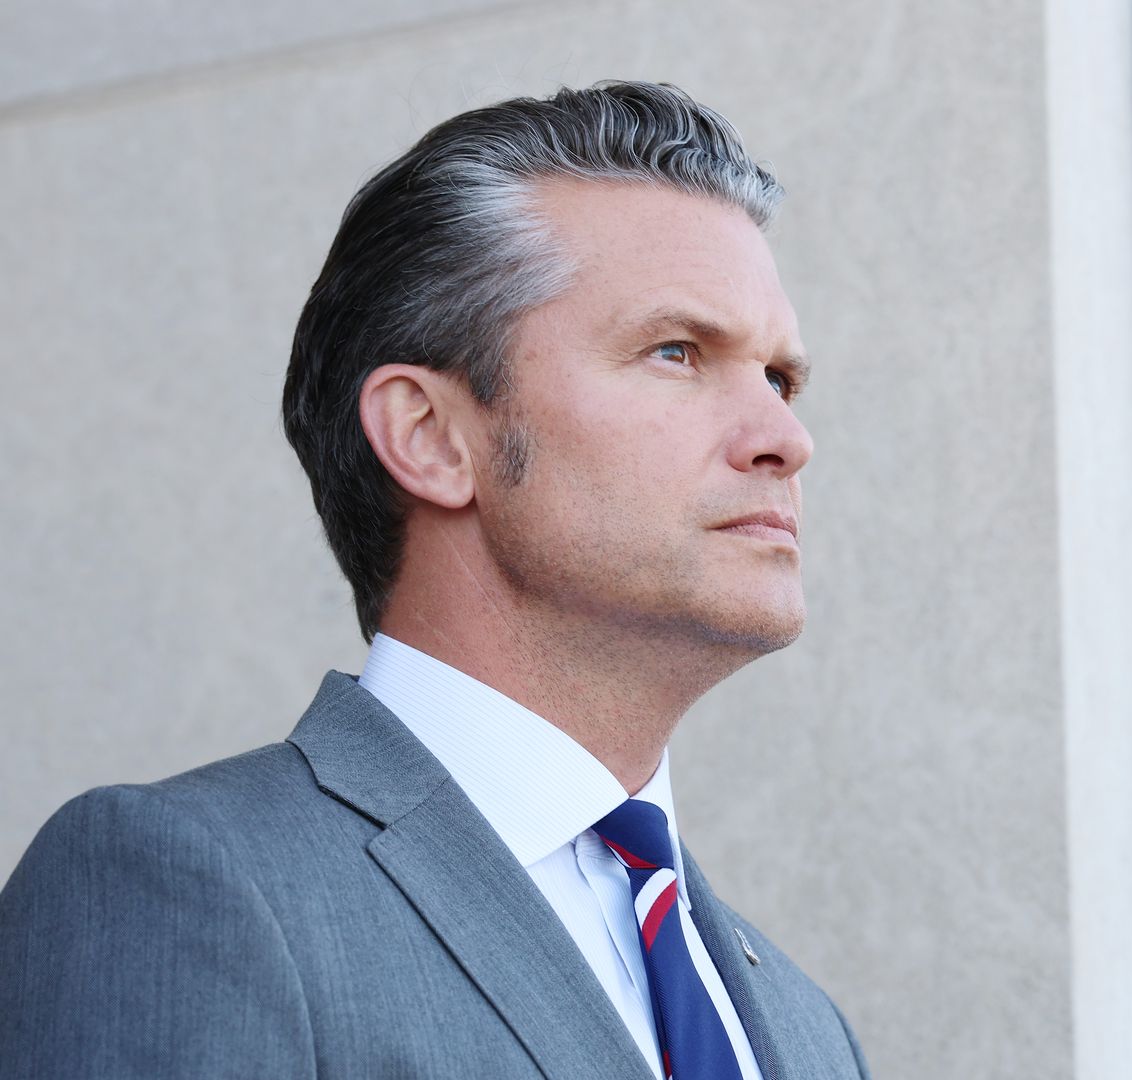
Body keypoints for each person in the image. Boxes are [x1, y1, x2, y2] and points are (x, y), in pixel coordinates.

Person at [0, 81, 867, 1080]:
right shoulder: (182, 888)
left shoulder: (807, 1032)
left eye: (780, 379)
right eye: (677, 351)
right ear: (431, 437)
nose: (785, 440)